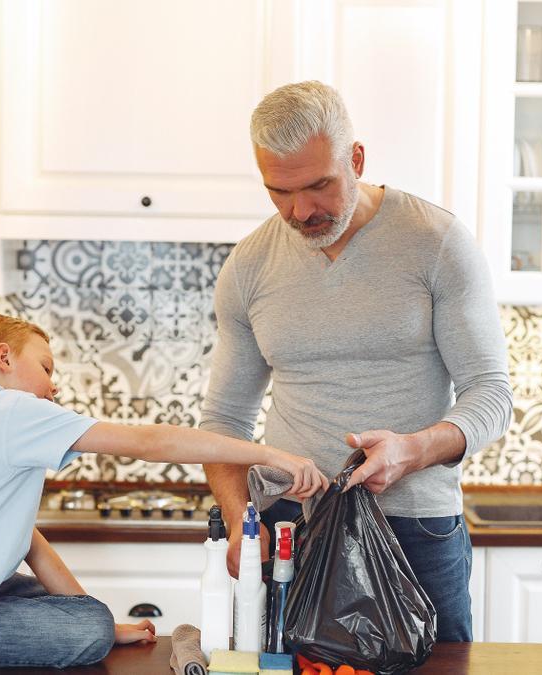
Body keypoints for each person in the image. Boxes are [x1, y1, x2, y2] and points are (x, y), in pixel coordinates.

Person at [199, 81, 513, 642]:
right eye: (280, 192)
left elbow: (491, 394)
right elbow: (223, 422)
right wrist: (238, 521)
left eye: (320, 185)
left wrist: (413, 451)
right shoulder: (248, 266)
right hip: (289, 527)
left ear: (357, 159)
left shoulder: (436, 242)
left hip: (414, 527)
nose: (302, 211)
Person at [0, 314, 327, 669]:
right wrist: (268, 455)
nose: (53, 387)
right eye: (45, 367)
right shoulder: (9, 411)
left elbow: (28, 540)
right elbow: (149, 441)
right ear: (3, 357)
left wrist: (90, 614)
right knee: (90, 629)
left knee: (87, 617)